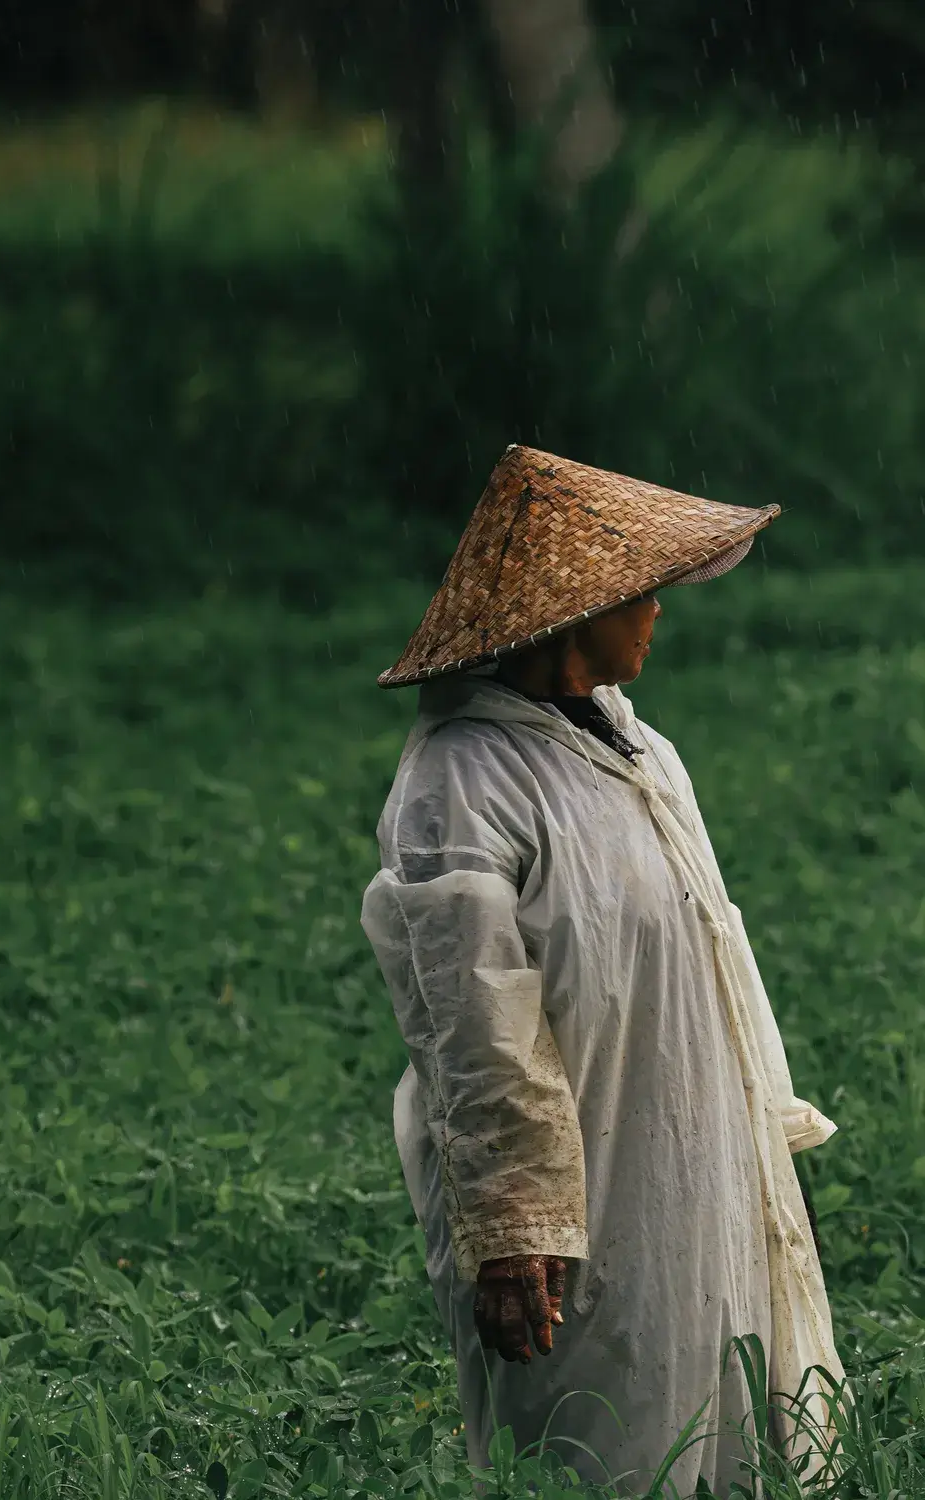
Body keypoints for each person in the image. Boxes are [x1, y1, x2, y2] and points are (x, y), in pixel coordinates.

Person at [360, 445, 846, 1496]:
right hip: (577, 1182)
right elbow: (472, 1027)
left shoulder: (638, 748)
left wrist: (758, 1116)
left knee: (718, 1406)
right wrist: (515, 1231)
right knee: (603, 1434)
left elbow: (713, 940)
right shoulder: (461, 782)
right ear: (571, 616)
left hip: (687, 1144)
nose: (658, 612)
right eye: (642, 594)